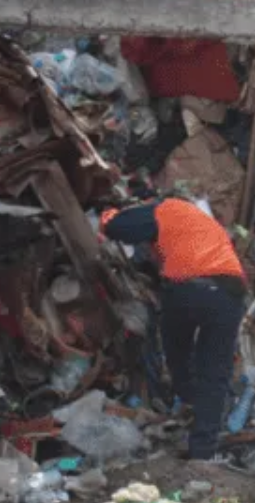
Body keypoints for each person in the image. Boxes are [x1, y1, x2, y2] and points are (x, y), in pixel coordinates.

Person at [100, 196, 247, 461]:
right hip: (230, 292)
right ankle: (202, 451)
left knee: (176, 349)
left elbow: (119, 228)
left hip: (187, 289)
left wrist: (108, 214)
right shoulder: (202, 222)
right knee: (214, 371)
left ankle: (188, 399)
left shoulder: (164, 209)